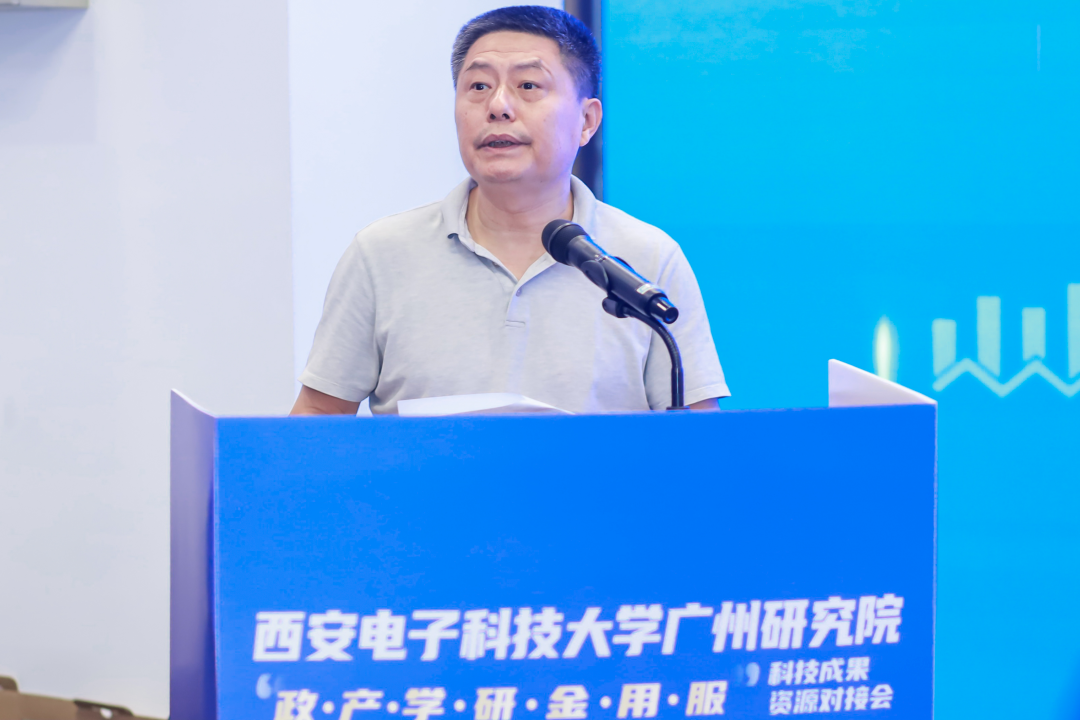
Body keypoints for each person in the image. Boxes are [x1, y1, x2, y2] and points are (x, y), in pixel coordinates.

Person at [291, 6, 728, 416]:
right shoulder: (381, 254)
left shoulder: (647, 259)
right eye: (478, 87)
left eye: (528, 86)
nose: (498, 106)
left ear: (587, 121)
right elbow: (317, 420)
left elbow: (702, 442)